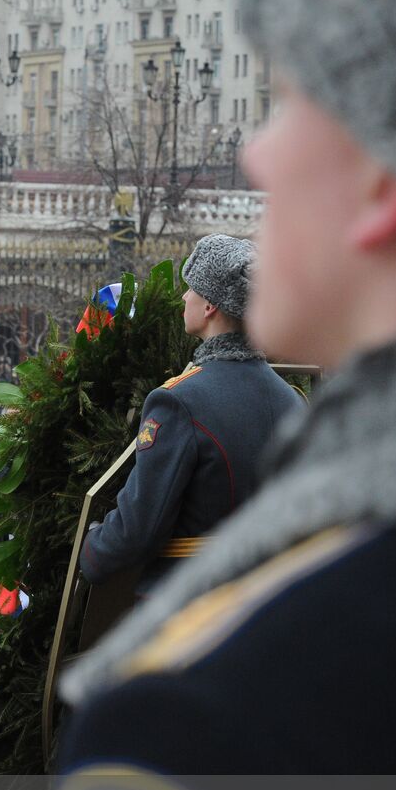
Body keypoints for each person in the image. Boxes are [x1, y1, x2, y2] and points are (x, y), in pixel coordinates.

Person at [51, 0, 396, 790]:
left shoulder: (203, 714)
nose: (256, 154)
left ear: (384, 173)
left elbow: (128, 531)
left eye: (289, 101)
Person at [79, 233, 301, 596]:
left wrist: (91, 550)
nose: (184, 297)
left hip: (189, 608)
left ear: (210, 305)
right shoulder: (289, 398)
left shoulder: (178, 401)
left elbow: (140, 529)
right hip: (266, 599)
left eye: (192, 288)